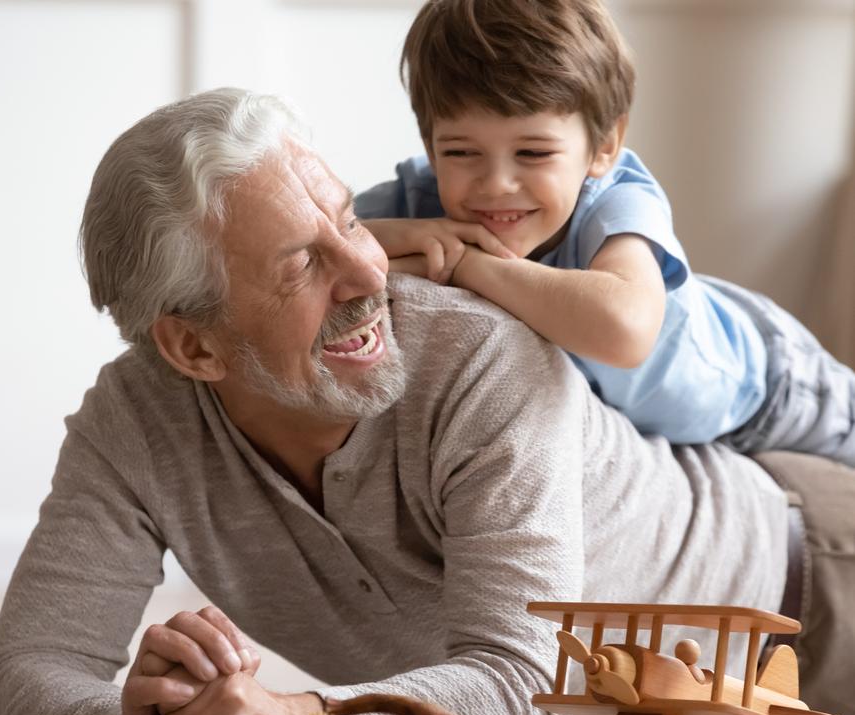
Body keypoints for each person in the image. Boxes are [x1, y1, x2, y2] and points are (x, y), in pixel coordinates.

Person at [0, 88, 855, 715]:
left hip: (810, 573)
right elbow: (25, 670)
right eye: (300, 263)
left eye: (349, 220)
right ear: (194, 345)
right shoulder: (133, 422)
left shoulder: (481, 359)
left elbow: (520, 685)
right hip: (683, 686)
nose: (369, 270)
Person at [357, 0, 855, 464]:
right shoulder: (417, 199)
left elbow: (624, 329)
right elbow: (302, 249)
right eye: (461, 152)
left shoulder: (617, 198)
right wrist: (396, 238)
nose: (496, 184)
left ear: (604, 145)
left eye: (533, 153)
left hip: (766, 388)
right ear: (429, 141)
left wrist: (467, 264)